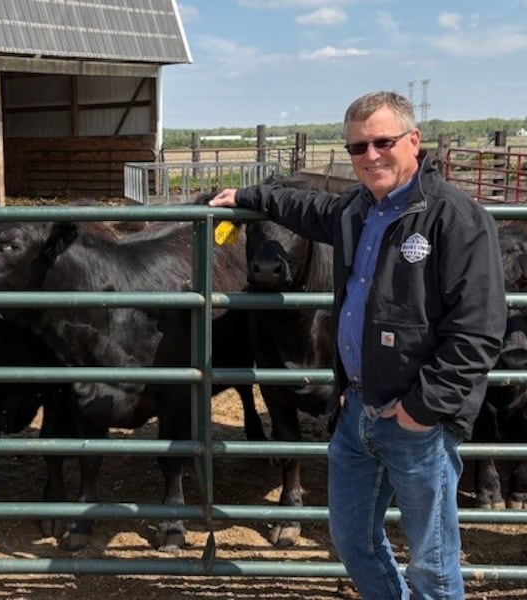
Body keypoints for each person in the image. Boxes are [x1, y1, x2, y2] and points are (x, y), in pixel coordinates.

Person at [210, 90, 507, 600]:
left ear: (415, 140)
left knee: (433, 564)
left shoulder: (455, 218)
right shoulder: (355, 210)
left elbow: (479, 331)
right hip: (355, 412)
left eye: (382, 142)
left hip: (417, 421)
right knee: (351, 541)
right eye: (356, 147)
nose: (369, 156)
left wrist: (420, 409)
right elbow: (301, 205)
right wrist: (248, 198)